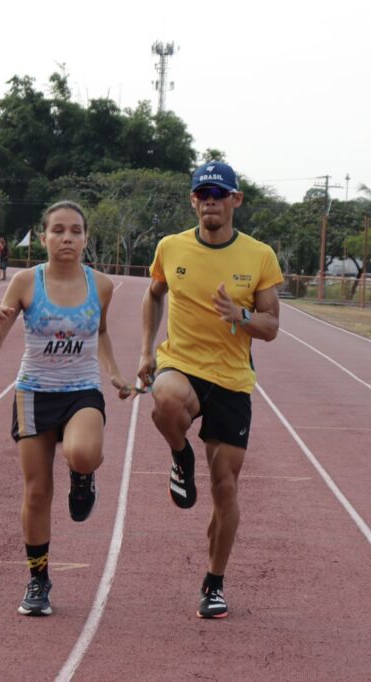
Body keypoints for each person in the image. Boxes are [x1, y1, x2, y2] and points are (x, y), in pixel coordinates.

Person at [136, 161, 283, 619]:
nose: (210, 202)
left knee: (225, 488)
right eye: (203, 194)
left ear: (236, 200)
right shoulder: (171, 247)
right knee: (165, 397)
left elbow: (272, 326)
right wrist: (146, 352)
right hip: (182, 362)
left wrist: (238, 316)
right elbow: (154, 293)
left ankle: (214, 582)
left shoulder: (259, 256)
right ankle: (180, 455)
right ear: (193, 201)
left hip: (232, 381)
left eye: (219, 194)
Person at [0, 200, 135, 617]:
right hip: (33, 394)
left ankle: (82, 479)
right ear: (44, 236)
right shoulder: (26, 283)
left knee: (82, 453)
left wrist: (116, 374)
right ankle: (38, 579)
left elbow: (99, 334)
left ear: (86, 238)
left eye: (76, 231)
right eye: (59, 230)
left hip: (82, 390)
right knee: (37, 491)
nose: (67, 238)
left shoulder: (101, 285)